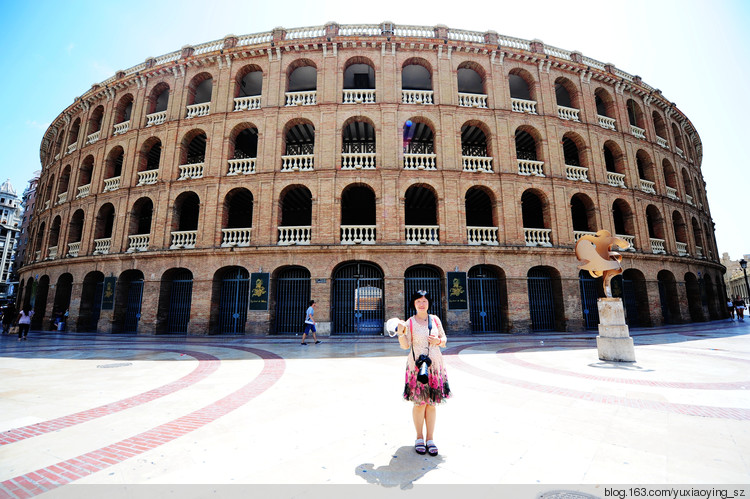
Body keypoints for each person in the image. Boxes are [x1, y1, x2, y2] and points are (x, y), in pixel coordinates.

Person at [393, 290, 451, 457]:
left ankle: (430, 439)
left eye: (424, 300)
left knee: (431, 403)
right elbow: (405, 346)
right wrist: (401, 332)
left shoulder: (435, 319)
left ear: (428, 303)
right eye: (418, 300)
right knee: (419, 403)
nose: (421, 303)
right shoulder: (410, 322)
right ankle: (419, 438)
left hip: (435, 366)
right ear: (414, 303)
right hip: (417, 368)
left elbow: (445, 340)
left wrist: (438, 341)